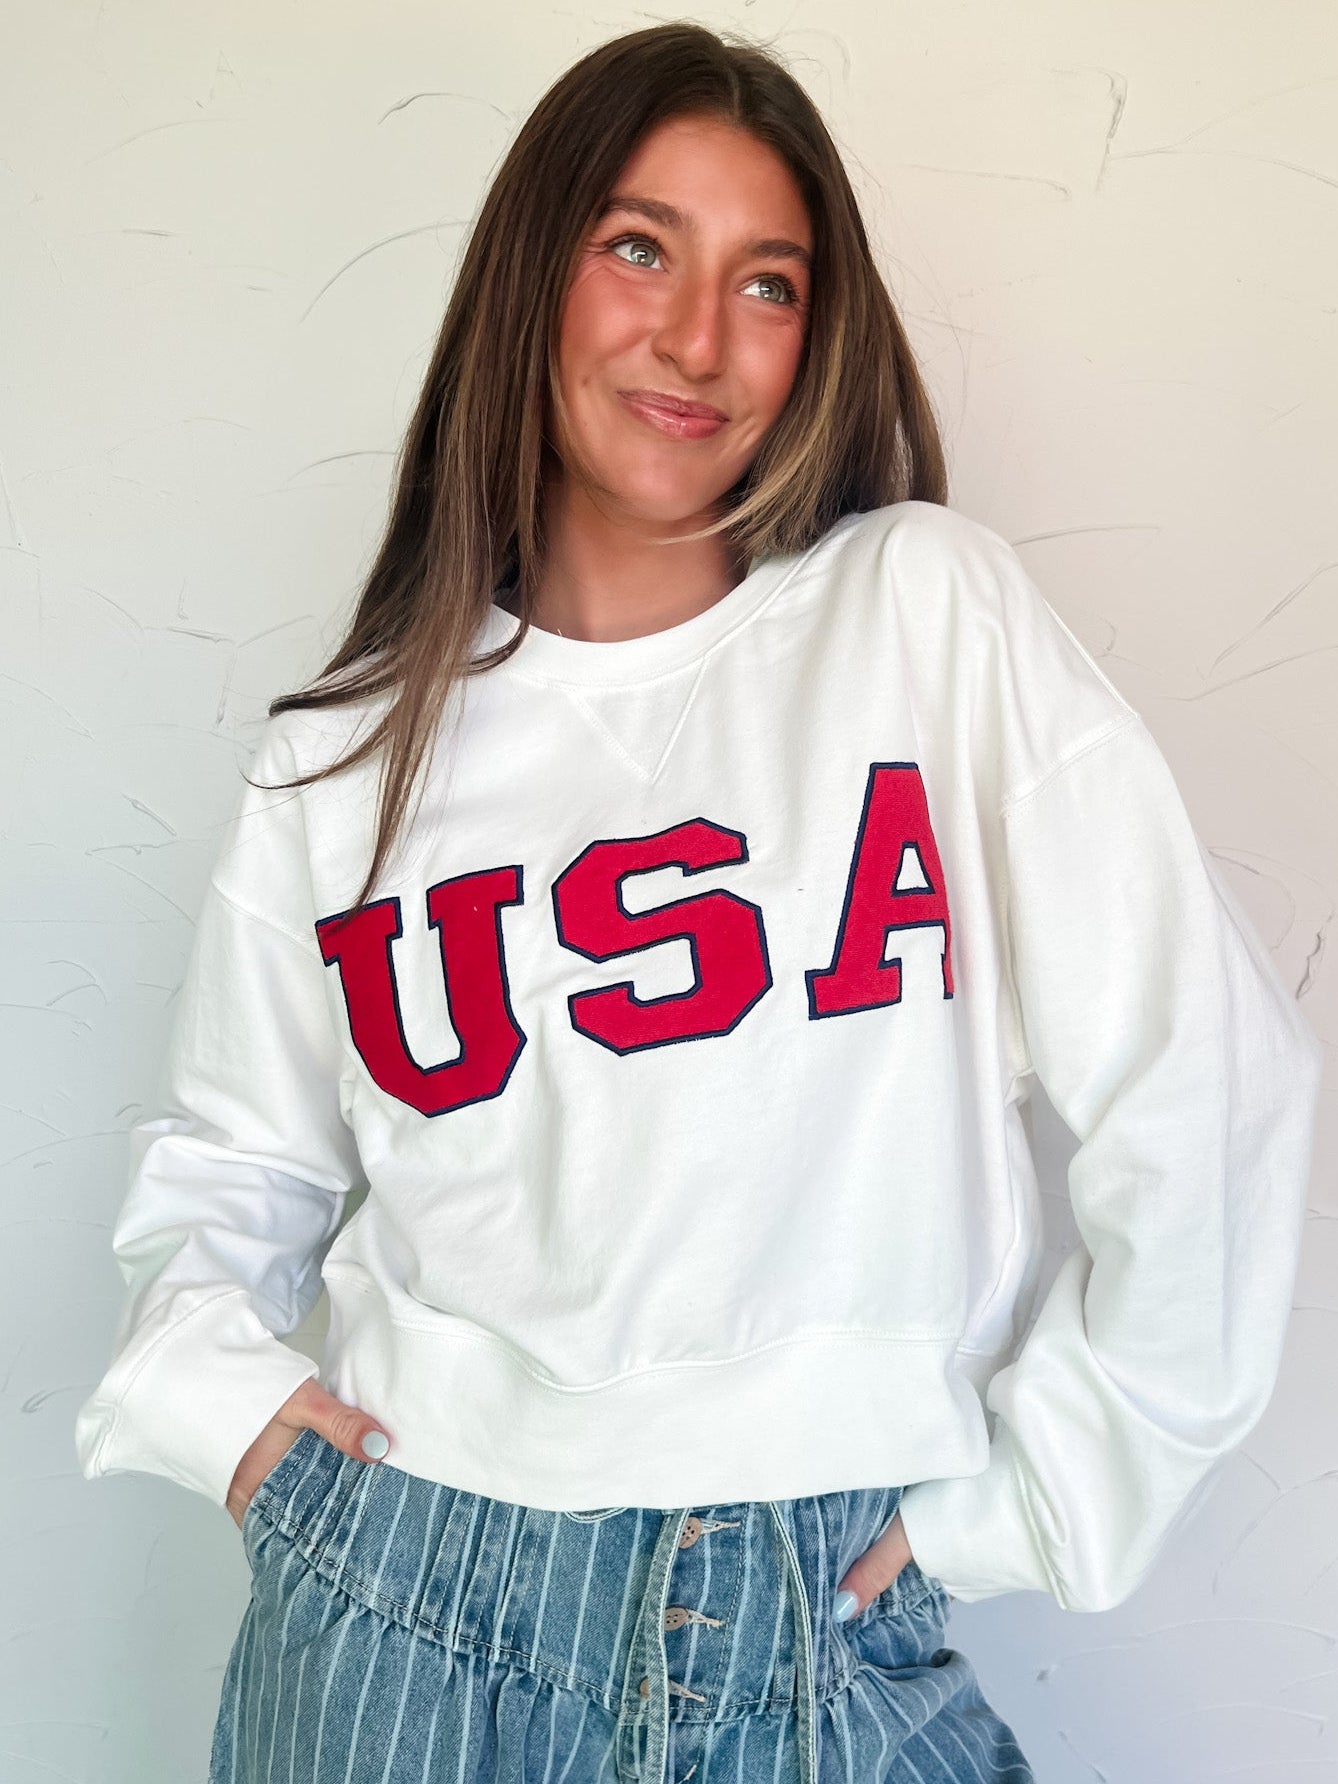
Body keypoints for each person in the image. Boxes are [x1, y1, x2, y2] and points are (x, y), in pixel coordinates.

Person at [73, 22, 1322, 1784]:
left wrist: (1044, 1498)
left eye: (769, 283)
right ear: (537, 276)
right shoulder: (345, 763)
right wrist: (226, 1422)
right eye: (639, 248)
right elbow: (230, 1162)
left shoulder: (919, 621)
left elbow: (1207, 1087)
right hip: (396, 1614)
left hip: (814, 1621)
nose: (694, 339)